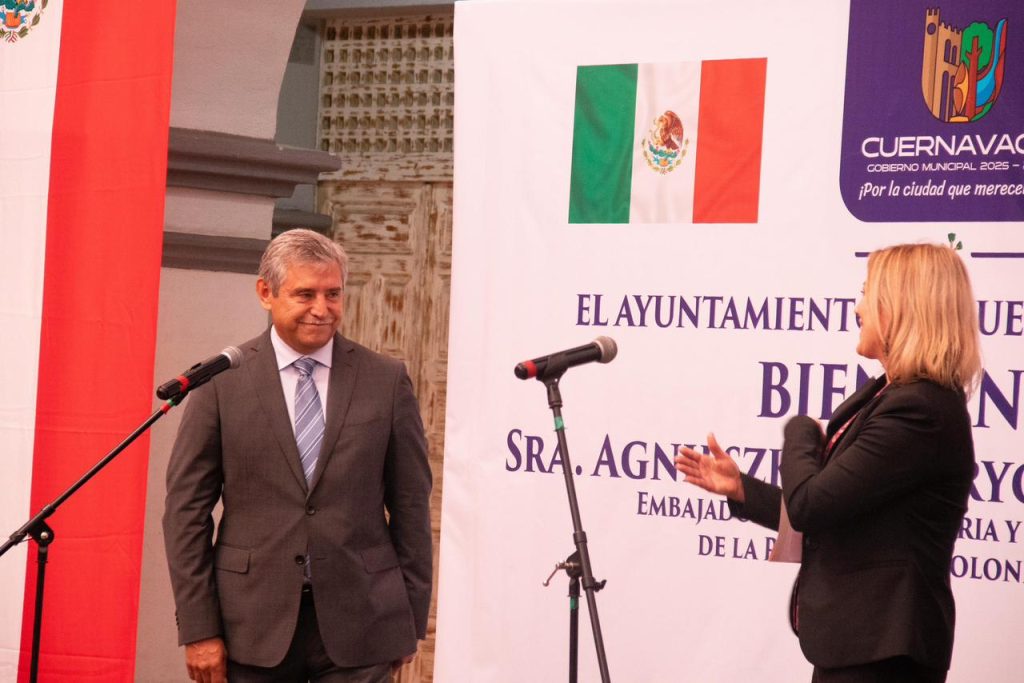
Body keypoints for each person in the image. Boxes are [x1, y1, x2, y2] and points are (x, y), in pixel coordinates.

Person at [675, 243, 981, 683]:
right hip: (861, 644)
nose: (858, 308)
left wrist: (799, 429)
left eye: (867, 294)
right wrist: (742, 489)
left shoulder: (920, 411)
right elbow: (832, 511)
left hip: (884, 653)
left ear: (900, 307)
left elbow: (810, 505)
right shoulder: (892, 396)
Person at [163, 229, 432, 683]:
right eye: (305, 294)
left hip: (363, 624)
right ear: (265, 293)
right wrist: (199, 628)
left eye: (333, 294)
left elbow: (411, 507)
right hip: (250, 626)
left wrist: (409, 619)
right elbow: (185, 513)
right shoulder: (220, 382)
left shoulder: (385, 380)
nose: (322, 309)